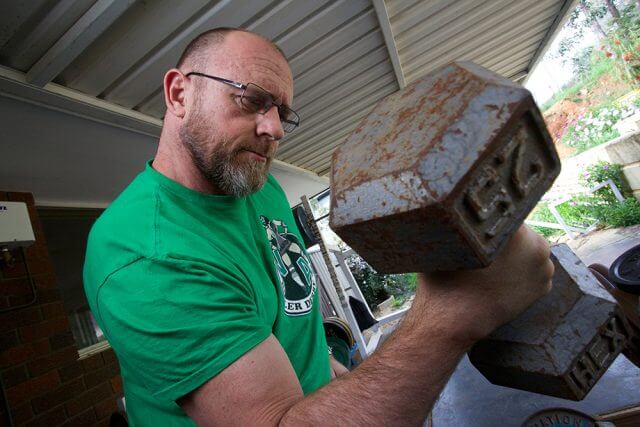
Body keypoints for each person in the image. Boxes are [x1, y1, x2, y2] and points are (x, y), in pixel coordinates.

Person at [84, 27, 554, 426]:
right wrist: (455, 315)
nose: (275, 129)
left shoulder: (257, 187)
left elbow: (293, 327)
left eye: (282, 113)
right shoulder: (145, 257)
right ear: (179, 94)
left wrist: (338, 377)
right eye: (251, 100)